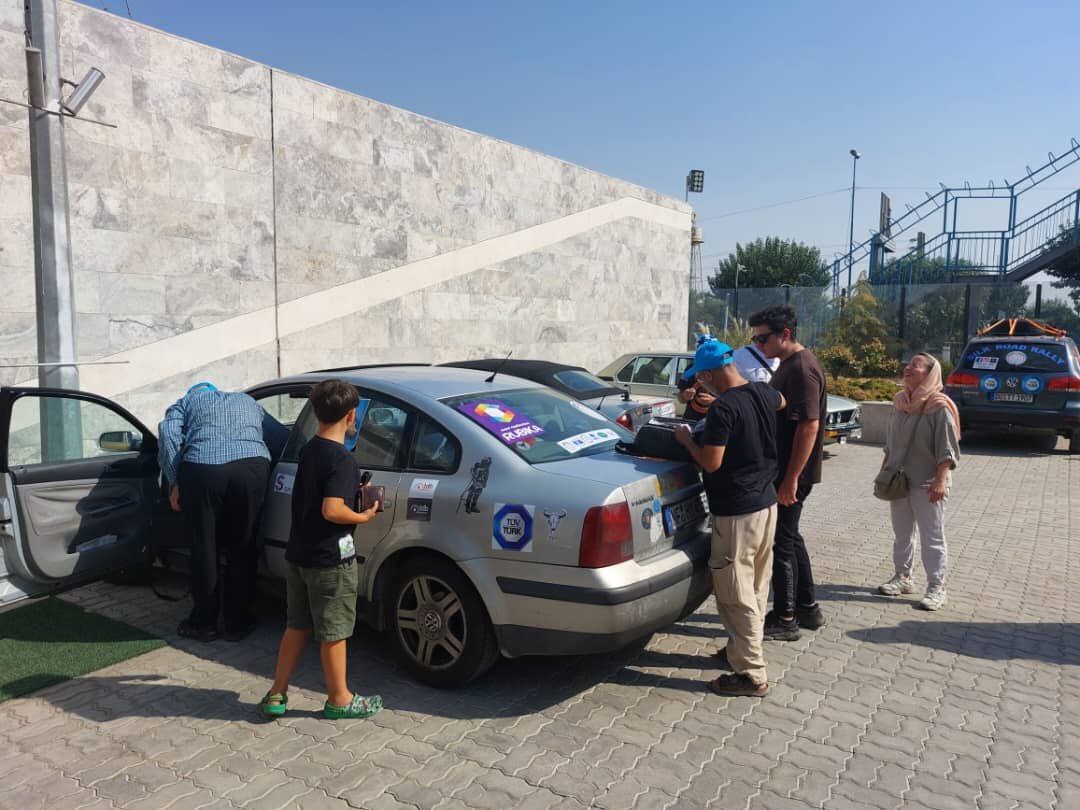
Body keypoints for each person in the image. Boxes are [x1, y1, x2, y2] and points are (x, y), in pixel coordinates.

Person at [258, 380, 383, 720]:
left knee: (296, 625)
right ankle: (340, 699)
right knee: (334, 631)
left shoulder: (310, 449)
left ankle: (277, 693)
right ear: (352, 415)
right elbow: (332, 509)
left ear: (314, 412)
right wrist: (364, 514)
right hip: (330, 559)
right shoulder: (342, 459)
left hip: (299, 554)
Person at [674, 339, 785, 697]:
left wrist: (686, 439)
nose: (699, 387)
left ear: (707, 374)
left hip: (736, 512)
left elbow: (710, 462)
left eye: (700, 379)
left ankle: (751, 675)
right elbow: (783, 403)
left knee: (736, 594)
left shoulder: (724, 411)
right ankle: (740, 653)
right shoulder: (765, 392)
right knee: (754, 587)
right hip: (766, 506)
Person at [159, 382, 288, 642]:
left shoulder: (186, 402)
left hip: (203, 469)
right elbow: (280, 439)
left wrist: (175, 482)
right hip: (251, 468)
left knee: (204, 548)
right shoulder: (248, 401)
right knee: (244, 545)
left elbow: (169, 434)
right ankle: (237, 623)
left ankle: (204, 623)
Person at [748, 305, 827, 641]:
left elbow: (809, 425)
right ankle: (807, 609)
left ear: (786, 334)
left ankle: (785, 618)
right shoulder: (788, 364)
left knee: (781, 542)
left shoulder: (801, 369)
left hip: (792, 473)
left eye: (763, 338)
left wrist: (791, 478)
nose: (758, 344)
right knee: (791, 538)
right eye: (754, 339)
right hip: (788, 471)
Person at [878, 353, 960, 611]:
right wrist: (884, 471)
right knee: (902, 534)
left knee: (932, 537)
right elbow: (891, 443)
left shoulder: (939, 405)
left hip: (928, 482)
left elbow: (947, 448)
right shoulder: (899, 402)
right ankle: (903, 578)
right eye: (909, 363)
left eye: (916, 365)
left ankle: (937, 587)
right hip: (899, 480)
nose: (908, 368)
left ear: (930, 373)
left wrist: (940, 480)